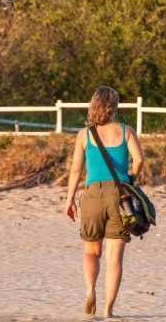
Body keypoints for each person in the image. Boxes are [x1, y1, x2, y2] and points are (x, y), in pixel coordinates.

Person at [65, 86, 144, 318]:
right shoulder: (126, 131)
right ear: (114, 107)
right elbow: (139, 159)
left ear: (93, 105)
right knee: (114, 257)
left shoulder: (84, 135)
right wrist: (130, 179)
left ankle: (90, 290)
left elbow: (76, 170)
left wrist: (69, 200)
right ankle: (109, 311)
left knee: (91, 250)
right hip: (119, 196)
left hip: (91, 195)